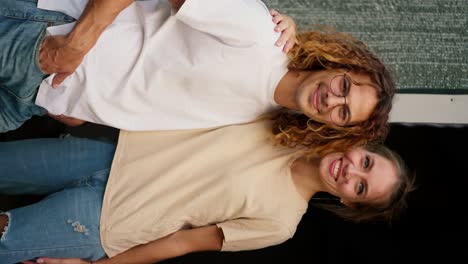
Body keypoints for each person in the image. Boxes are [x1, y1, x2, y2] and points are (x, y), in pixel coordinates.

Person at [1, 0, 395, 155]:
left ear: (329, 126)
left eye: (343, 113)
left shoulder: (256, 121)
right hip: (42, 43)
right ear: (338, 65)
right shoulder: (261, 34)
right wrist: (76, 45)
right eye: (344, 87)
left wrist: (81, 109)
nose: (332, 99)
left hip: (34, 102)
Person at [0, 120, 414, 264]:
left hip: (104, 218)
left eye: (360, 187)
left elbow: (181, 243)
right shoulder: (291, 122)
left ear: (347, 201)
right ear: (360, 146)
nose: (351, 173)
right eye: (366, 162)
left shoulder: (280, 222)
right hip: (106, 153)